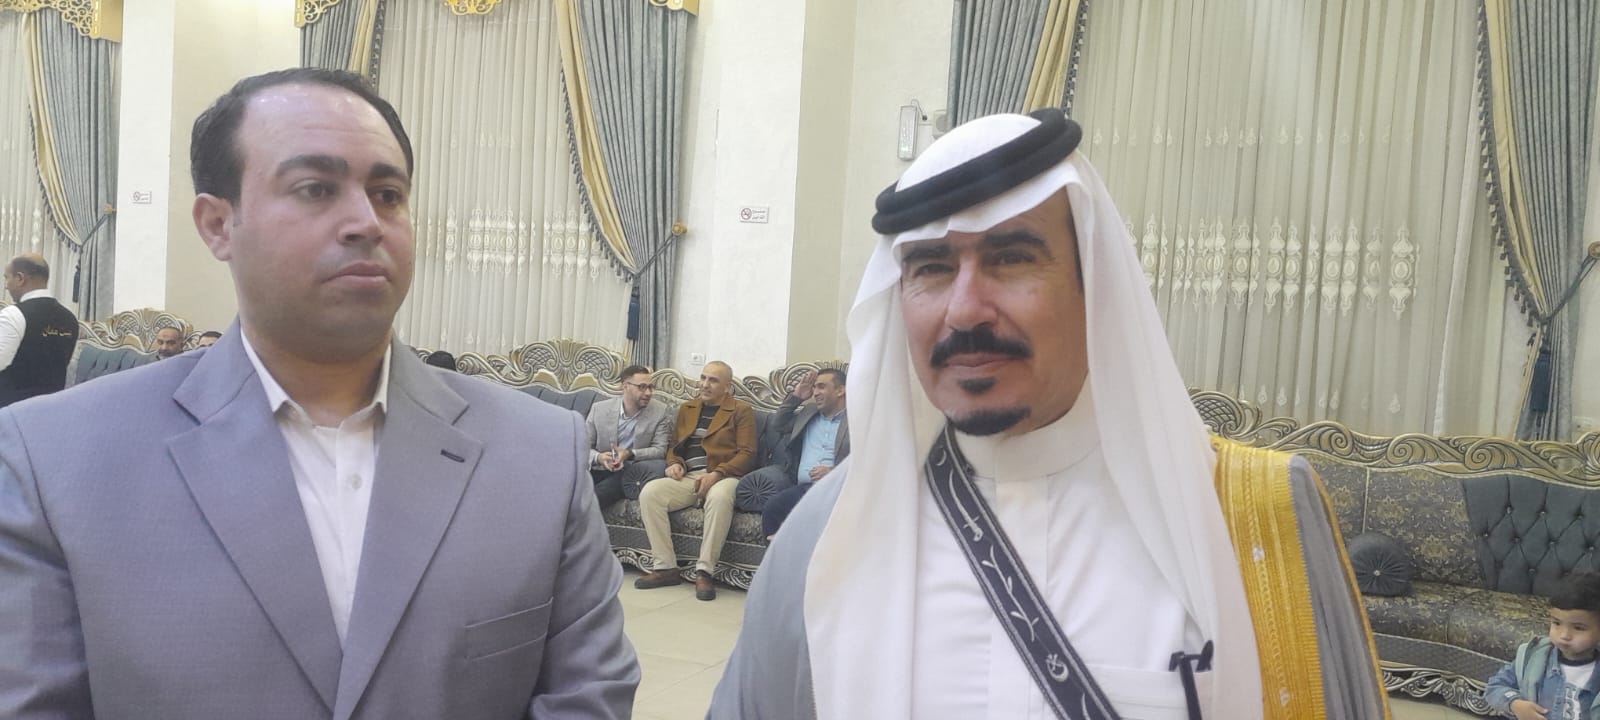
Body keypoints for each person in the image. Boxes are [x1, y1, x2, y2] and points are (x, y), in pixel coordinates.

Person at [0, 68, 637, 718]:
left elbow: (589, 695)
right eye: (315, 189)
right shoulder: (55, 459)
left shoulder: (538, 453)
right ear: (218, 224)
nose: (366, 221)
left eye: (388, 194)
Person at [710, 109, 1387, 719]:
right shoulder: (824, 537)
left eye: (1011, 258)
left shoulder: (1254, 519)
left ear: (1094, 286)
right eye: (932, 268)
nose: (965, 310)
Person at [634, 360, 756, 601]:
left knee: (719, 497)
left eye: (713, 380)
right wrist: (674, 463)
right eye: (703, 378)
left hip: (725, 475)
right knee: (650, 492)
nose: (705, 384)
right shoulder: (688, 408)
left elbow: (748, 453)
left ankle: (704, 571)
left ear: (727, 387)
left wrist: (717, 474)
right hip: (689, 476)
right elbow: (673, 445)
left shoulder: (741, 411)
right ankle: (666, 568)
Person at [748, 368, 848, 538]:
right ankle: (777, 554)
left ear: (840, 390)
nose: (815, 392)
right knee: (773, 508)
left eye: (821, 387)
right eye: (814, 387)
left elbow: (867, 459)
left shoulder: (856, 420)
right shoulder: (808, 413)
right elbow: (778, 424)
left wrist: (834, 472)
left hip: (838, 489)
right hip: (805, 488)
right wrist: (797, 397)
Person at [1486, 572, 1600, 720]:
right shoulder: (1532, 657)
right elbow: (1494, 687)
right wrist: (1515, 703)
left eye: (1578, 628)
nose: (1564, 635)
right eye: (1557, 623)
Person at [584, 364, 672, 509]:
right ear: (625, 386)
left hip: (628, 471)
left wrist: (630, 453)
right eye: (642, 387)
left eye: (650, 387)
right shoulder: (599, 409)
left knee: (594, 498)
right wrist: (599, 457)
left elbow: (660, 449)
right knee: (567, 492)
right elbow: (582, 447)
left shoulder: (660, 412)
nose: (648, 393)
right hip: (597, 467)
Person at [0, 254, 78, 407]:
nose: (6, 286)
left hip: (10, 411)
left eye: (7, 278)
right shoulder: (70, 318)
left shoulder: (13, 314)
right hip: (51, 409)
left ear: (20, 278)